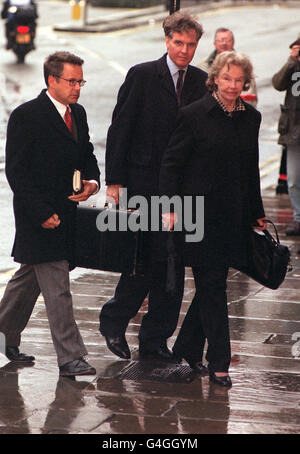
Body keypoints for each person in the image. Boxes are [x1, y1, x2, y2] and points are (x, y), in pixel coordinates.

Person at [99, 11, 208, 361]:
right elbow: (120, 129)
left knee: (173, 267)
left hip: (182, 192)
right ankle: (114, 319)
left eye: (191, 45)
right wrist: (114, 181)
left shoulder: (202, 81)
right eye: (179, 43)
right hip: (142, 185)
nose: (184, 51)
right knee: (142, 261)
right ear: (167, 40)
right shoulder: (142, 75)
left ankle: (155, 340)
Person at [159, 51, 266, 387]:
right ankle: (219, 361)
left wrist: (257, 213)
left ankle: (188, 347)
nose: (233, 86)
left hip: (233, 217)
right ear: (215, 79)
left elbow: (251, 169)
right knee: (214, 286)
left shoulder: (252, 118)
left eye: (238, 80)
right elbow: (171, 164)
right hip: (198, 217)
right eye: (226, 79)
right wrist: (169, 207)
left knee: (210, 285)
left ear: (245, 81)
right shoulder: (193, 115)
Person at [0, 51, 100, 377]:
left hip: (66, 215)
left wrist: (92, 181)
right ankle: (70, 357)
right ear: (51, 80)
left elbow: (85, 153)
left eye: (80, 81)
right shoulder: (26, 116)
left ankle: (2, 337)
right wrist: (40, 212)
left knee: (27, 282)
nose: (77, 87)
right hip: (38, 217)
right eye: (72, 81)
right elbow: (16, 172)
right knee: (57, 287)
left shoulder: (78, 114)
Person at [272, 37, 300, 235]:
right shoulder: (294, 65)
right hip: (294, 131)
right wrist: (291, 60)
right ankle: (298, 218)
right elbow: (278, 83)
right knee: (293, 179)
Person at [199, 27, 258, 107]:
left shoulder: (244, 65)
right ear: (215, 44)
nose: (224, 43)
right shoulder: (203, 66)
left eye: (227, 40)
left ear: (233, 42)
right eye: (220, 41)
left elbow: (250, 97)